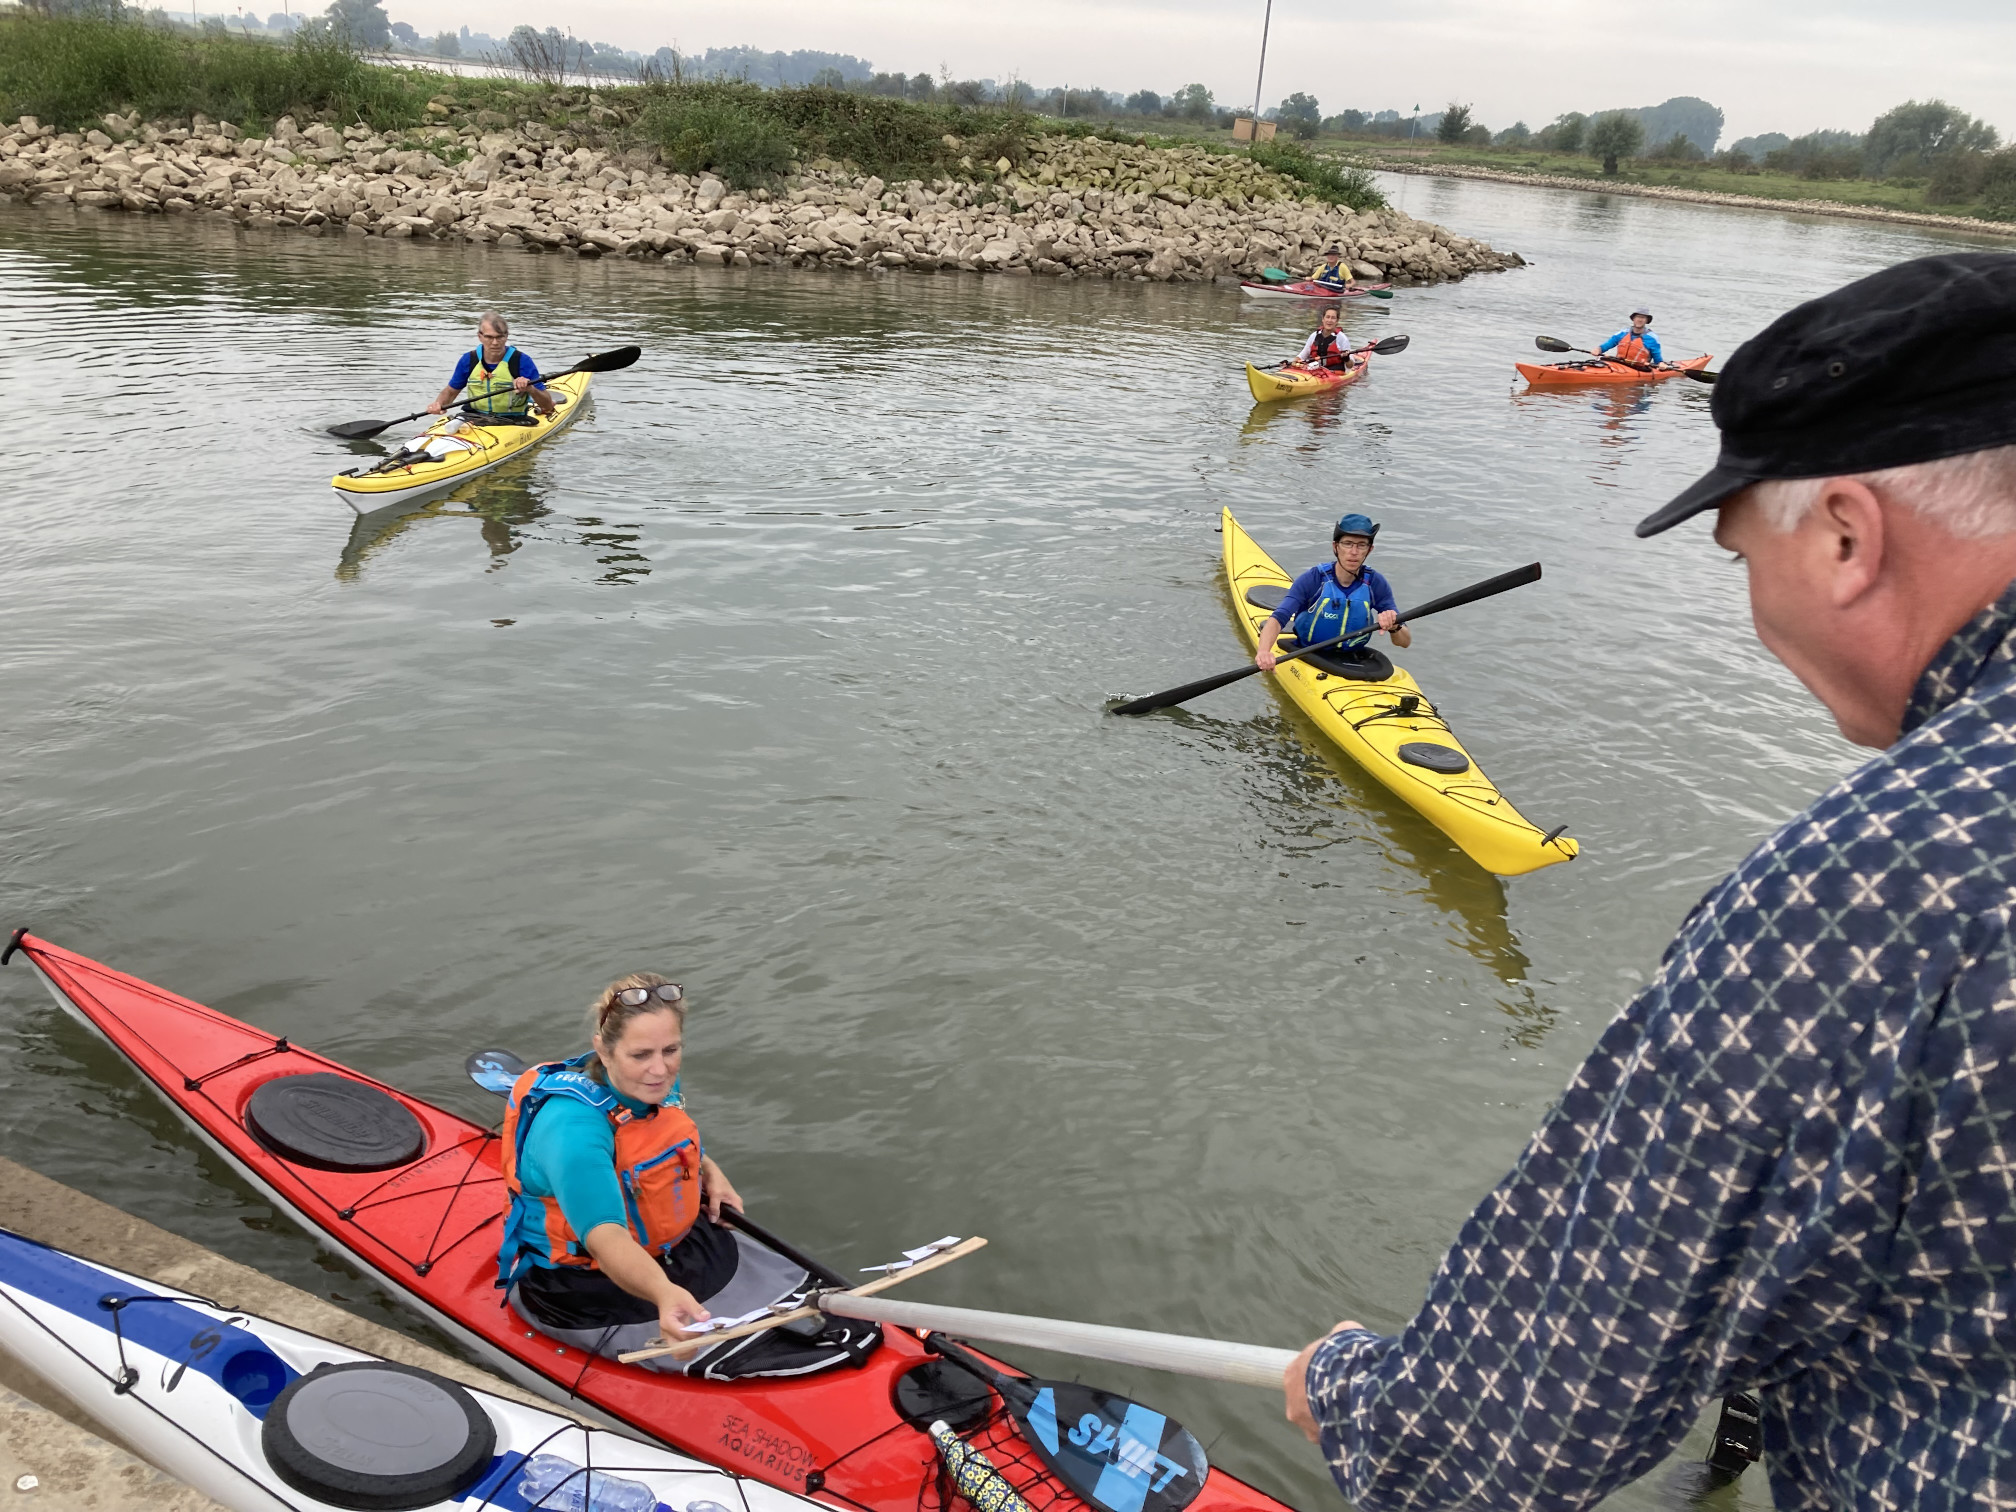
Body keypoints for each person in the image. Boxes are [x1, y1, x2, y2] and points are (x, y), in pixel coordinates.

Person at [1282, 251, 2016, 1510]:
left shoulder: (1885, 875)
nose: (1750, 606)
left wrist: (1360, 1397)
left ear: (1847, 535)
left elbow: (1547, 1385)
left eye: (1740, 558)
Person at [497, 974, 741, 1360]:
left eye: (671, 1050)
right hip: (586, 1281)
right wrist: (663, 1293)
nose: (660, 1070)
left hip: (672, 1250)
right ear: (604, 1051)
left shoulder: (649, 1086)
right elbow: (605, 1238)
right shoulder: (573, 1131)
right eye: (641, 1055)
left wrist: (711, 1170)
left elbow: (663, 1138)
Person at [1255, 513, 1410, 672]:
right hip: (1307, 654)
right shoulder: (1313, 579)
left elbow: (1404, 642)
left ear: (1369, 550)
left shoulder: (1376, 584)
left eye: (1361, 545)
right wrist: (1263, 652)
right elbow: (1278, 619)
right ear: (1335, 547)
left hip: (1351, 659)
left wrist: (1395, 626)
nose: (1354, 552)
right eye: (1348, 543)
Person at [430, 311, 555, 420]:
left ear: (506, 336)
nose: (495, 343)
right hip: (475, 417)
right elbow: (451, 391)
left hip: (513, 420)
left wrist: (530, 389)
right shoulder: (468, 360)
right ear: (480, 336)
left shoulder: (522, 361)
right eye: (489, 337)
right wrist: (438, 404)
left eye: (499, 337)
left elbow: (548, 406)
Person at [1293, 308, 1361, 371]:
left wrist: (1346, 359)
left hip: (1334, 373)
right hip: (1314, 370)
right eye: (1327, 317)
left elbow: (1350, 366)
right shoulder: (1314, 335)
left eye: (1333, 318)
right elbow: (1302, 356)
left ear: (1337, 321)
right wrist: (1292, 363)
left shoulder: (1342, 338)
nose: (1329, 320)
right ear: (1323, 319)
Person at [1595, 306, 1665, 367]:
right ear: (1633, 319)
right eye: (1638, 317)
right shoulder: (1623, 333)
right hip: (1619, 365)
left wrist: (1660, 364)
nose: (1640, 320)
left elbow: (1657, 359)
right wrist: (1598, 349)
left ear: (1646, 320)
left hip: (1639, 368)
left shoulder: (1652, 338)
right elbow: (1608, 344)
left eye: (1643, 318)